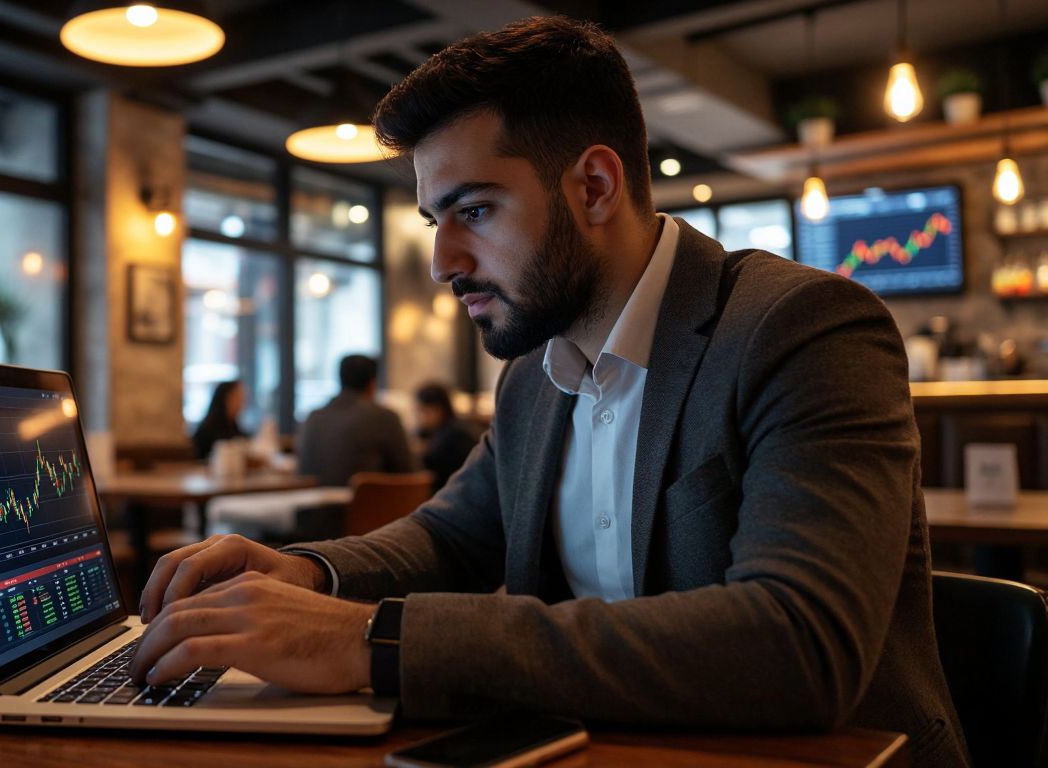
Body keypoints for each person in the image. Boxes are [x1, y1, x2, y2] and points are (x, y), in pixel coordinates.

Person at [126, 17, 967, 767]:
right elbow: (452, 539)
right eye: (435, 221)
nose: (442, 263)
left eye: (477, 212)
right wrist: (306, 575)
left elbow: (798, 644)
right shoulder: (534, 375)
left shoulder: (803, 328)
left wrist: (378, 640)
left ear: (594, 187)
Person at [295, 355, 416, 487]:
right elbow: (407, 472)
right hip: (365, 505)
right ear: (372, 383)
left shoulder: (314, 417)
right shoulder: (384, 417)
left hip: (311, 504)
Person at [414, 382, 480, 494]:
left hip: (458, 494)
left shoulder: (454, 435)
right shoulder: (448, 429)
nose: (419, 417)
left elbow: (433, 472)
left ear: (437, 410)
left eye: (422, 410)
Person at [191, 380, 247, 460]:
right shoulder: (207, 430)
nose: (242, 403)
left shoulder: (234, 426)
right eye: (238, 397)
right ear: (225, 398)